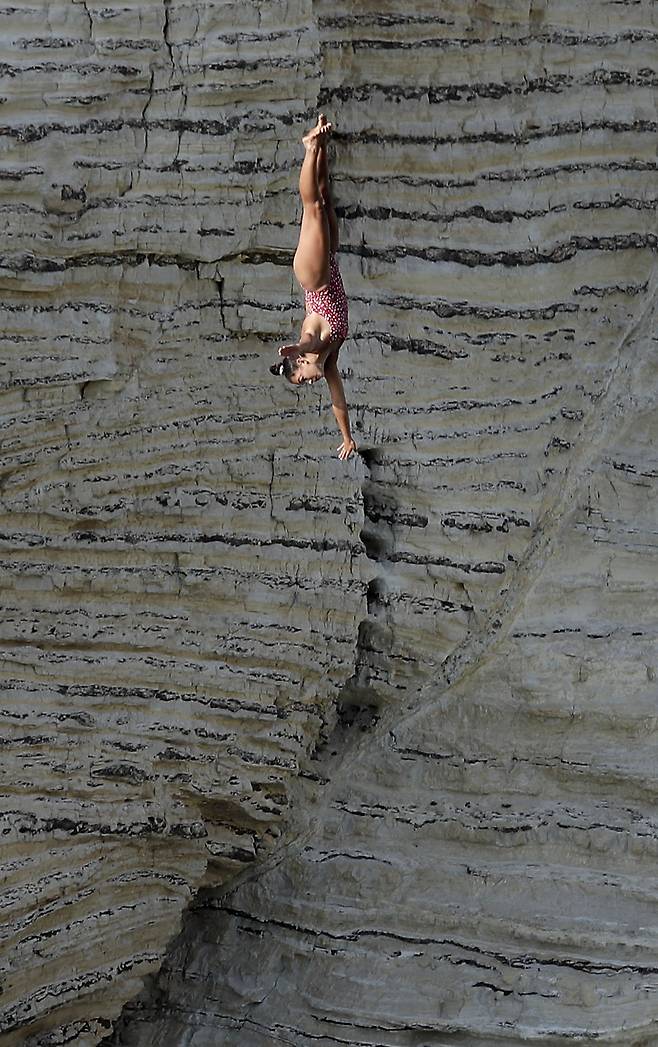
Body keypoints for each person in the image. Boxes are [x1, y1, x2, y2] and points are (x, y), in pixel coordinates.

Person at [270, 114, 357, 461]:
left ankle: (308, 148)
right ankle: (320, 143)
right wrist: (347, 438)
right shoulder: (330, 358)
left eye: (302, 378)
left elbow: (308, 339)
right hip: (329, 264)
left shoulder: (314, 341)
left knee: (313, 207)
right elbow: (338, 400)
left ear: (299, 362)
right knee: (324, 198)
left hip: (313, 274)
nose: (309, 382)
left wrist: (296, 346)